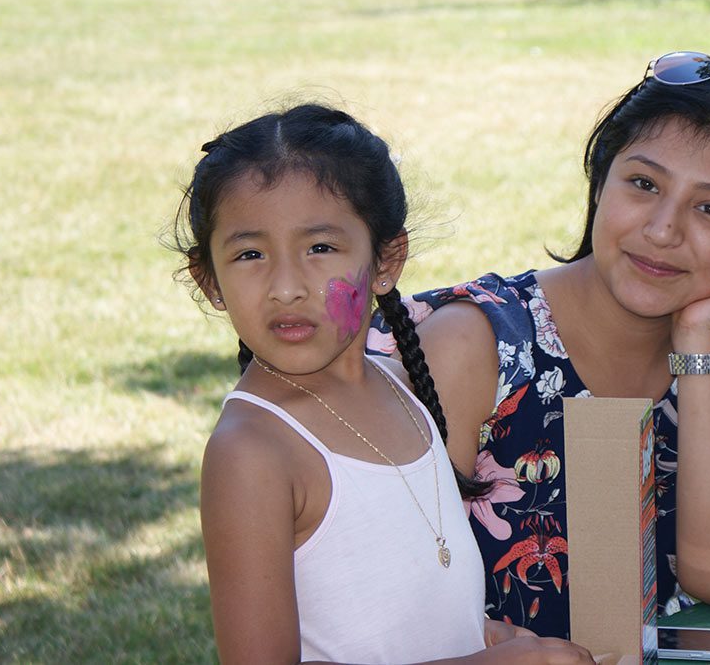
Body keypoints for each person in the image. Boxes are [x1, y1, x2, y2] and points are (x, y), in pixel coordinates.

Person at [368, 52, 710, 639]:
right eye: (643, 184)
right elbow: (378, 603)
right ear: (600, 183)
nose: (663, 230)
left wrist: (698, 348)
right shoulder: (475, 345)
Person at [174, 104, 593, 664]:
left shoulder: (402, 388)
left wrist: (484, 633)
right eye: (250, 254)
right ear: (212, 283)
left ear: (384, 263)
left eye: (319, 248)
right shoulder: (252, 453)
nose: (286, 287)